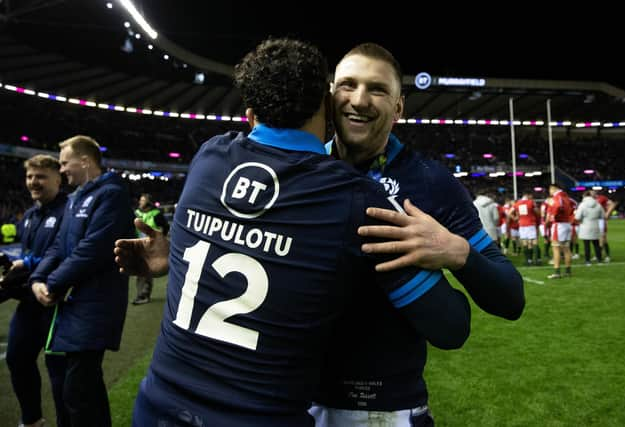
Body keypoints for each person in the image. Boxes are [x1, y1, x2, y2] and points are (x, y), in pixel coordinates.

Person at [118, 38, 470, 427]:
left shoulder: (209, 158)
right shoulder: (351, 197)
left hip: (156, 408)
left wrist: (179, 254)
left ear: (251, 114)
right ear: (327, 105)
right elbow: (451, 326)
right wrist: (454, 252)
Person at [311, 42, 524, 426]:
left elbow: (511, 299)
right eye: (347, 85)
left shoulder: (430, 182)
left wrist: (457, 252)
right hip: (296, 404)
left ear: (398, 108)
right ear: (329, 95)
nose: (359, 100)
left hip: (387, 411)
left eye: (377, 89)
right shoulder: (303, 172)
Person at [29, 135, 134, 427]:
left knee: (79, 388)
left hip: (97, 305)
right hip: (73, 305)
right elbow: (58, 245)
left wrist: (53, 283)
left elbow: (94, 249)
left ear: (85, 161)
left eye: (65, 163)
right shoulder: (76, 198)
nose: (61, 170)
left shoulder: (111, 194)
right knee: (74, 389)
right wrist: (38, 278)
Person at [2, 154, 69, 427]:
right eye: (30, 177)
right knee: (17, 358)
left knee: (61, 375)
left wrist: (27, 266)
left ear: (58, 178)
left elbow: (66, 255)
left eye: (40, 176)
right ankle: (32, 420)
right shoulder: (29, 215)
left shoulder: (70, 211)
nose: (33, 182)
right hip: (29, 302)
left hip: (59, 303)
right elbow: (27, 255)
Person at [132, 193, 169, 305]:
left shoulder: (156, 214)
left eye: (142, 200)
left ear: (148, 202)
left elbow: (166, 227)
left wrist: (159, 240)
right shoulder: (137, 213)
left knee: (146, 272)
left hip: (151, 248)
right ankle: (141, 294)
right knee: (139, 272)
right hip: (139, 245)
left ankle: (144, 295)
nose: (140, 202)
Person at [546, 183, 574, 279]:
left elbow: (557, 205)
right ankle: (568, 271)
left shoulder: (557, 197)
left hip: (559, 225)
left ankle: (557, 272)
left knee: (556, 248)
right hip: (567, 224)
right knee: (566, 248)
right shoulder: (566, 197)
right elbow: (574, 206)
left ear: (553, 188)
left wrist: (553, 215)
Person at [575, 190, 605, 265]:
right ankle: (599, 260)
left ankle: (588, 261)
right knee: (596, 244)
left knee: (586, 245)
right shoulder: (598, 204)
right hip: (595, 225)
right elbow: (603, 215)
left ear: (584, 196)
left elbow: (577, 217)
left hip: (585, 226)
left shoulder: (582, 205)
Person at [513, 191, 541, 266]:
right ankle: (537, 260)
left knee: (525, 242)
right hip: (530, 224)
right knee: (533, 242)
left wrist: (516, 218)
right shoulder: (531, 202)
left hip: (522, 224)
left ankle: (528, 260)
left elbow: (510, 213)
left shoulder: (517, 203)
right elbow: (538, 212)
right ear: (528, 195)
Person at [595, 191, 617, 262]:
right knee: (597, 239)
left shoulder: (602, 198)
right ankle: (598, 255)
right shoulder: (591, 199)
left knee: (603, 238)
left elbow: (612, 204)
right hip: (593, 221)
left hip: (601, 220)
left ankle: (607, 256)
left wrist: (607, 213)